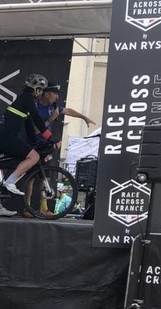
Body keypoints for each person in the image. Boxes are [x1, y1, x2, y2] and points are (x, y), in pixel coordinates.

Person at [22, 81, 96, 218]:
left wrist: (83, 117)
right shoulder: (35, 107)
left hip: (46, 147)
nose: (57, 97)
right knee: (30, 178)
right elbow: (35, 130)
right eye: (55, 94)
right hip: (32, 146)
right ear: (47, 94)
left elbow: (67, 110)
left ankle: (44, 208)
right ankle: (27, 208)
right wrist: (51, 119)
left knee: (45, 178)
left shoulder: (53, 107)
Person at [0, 74, 54, 217]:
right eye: (41, 91)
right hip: (5, 137)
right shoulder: (27, 98)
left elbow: (29, 127)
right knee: (34, 157)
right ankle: (10, 183)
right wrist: (49, 137)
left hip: (2, 137)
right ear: (37, 89)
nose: (40, 94)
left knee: (2, 167)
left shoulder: (23, 101)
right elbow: (36, 118)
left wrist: (36, 142)